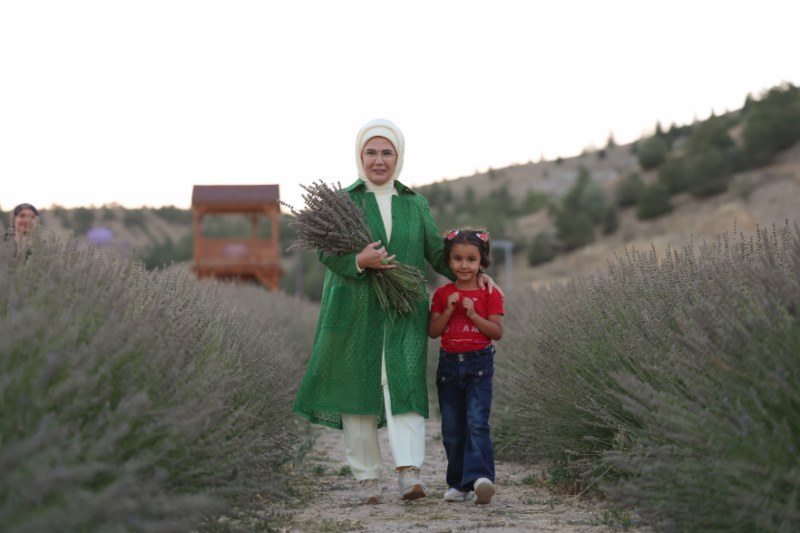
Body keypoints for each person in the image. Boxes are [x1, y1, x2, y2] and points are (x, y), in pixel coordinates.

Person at [292, 118, 501, 504]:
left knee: (404, 386)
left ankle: (409, 473)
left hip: (404, 310)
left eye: (387, 152)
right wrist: (359, 259)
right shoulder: (342, 201)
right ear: (360, 156)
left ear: (398, 156)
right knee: (359, 389)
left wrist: (477, 275)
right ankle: (368, 477)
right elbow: (326, 252)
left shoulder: (414, 203)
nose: (379, 159)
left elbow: (439, 255)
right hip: (354, 308)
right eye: (371, 152)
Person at [428, 228, 504, 505]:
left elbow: (496, 332)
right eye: (457, 258)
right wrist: (448, 310)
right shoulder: (441, 293)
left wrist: (472, 313)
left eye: (471, 259)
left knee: (477, 423)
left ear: (481, 263)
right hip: (448, 368)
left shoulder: (489, 293)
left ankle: (481, 479)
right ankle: (458, 484)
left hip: (479, 366)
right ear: (448, 261)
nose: (464, 265)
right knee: (452, 428)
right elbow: (433, 331)